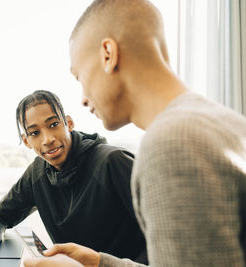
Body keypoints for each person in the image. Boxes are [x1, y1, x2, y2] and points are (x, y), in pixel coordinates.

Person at [24, 0, 246, 266]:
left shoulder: (172, 143)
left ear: (108, 54)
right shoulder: (215, 121)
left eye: (79, 76)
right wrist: (98, 263)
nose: (83, 98)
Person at [0, 90, 147, 263]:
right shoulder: (38, 172)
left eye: (54, 124)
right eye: (35, 133)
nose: (47, 139)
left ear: (69, 123)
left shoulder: (112, 162)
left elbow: (166, 235)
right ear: (27, 141)